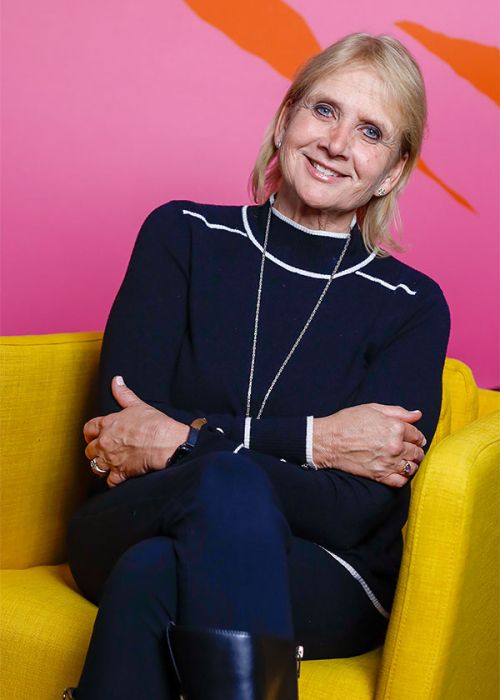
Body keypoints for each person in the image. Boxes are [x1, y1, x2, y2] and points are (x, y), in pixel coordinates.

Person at [64, 32, 450, 700]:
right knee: (221, 491)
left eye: (370, 132)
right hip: (131, 520)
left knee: (157, 570)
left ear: (392, 171)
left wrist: (187, 442)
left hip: (324, 567)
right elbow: (120, 445)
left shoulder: (411, 305)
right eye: (324, 110)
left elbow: (352, 513)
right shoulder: (181, 236)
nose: (337, 143)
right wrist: (315, 443)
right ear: (285, 120)